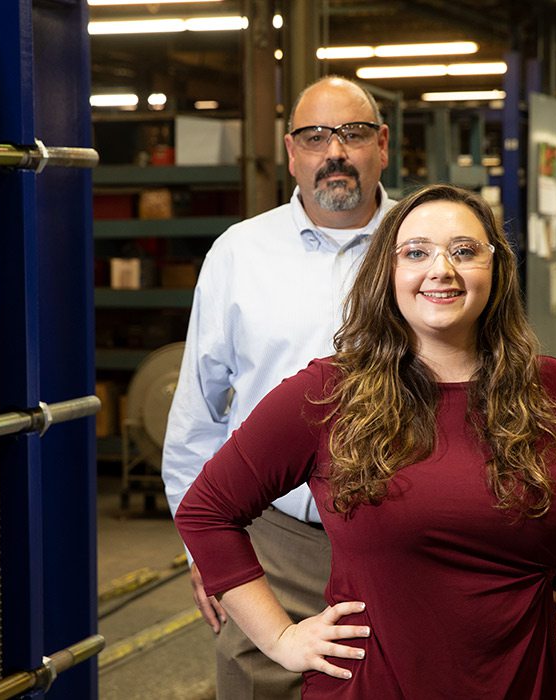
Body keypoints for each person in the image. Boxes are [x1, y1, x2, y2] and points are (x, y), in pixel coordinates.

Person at [174, 184, 556, 699]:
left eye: (465, 251)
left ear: (497, 268)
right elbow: (207, 510)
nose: (442, 269)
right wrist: (280, 637)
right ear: (386, 274)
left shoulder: (555, 390)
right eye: (416, 252)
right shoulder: (328, 394)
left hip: (532, 681)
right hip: (379, 685)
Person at [161, 75, 393, 699]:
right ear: (292, 153)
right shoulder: (241, 253)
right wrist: (202, 551)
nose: (335, 152)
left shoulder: (425, 247)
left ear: (383, 145)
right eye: (315, 137)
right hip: (273, 542)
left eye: (353, 133)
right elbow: (197, 416)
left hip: (401, 538)